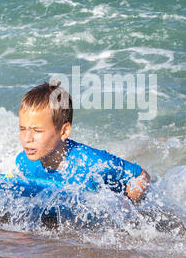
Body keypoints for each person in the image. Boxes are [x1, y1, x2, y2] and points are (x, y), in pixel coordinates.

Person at [14, 82, 149, 201]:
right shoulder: (24, 162)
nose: (27, 139)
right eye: (22, 129)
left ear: (64, 131)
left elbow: (141, 176)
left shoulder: (93, 163)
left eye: (37, 131)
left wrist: (128, 205)